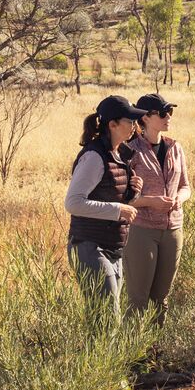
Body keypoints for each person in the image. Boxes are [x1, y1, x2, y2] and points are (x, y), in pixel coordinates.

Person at [64, 95, 145, 311]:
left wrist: (132, 194)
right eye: (129, 121)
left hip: (111, 246)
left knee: (105, 320)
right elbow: (73, 203)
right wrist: (118, 209)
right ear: (112, 124)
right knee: (107, 319)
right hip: (89, 246)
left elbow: (110, 198)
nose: (134, 126)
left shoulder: (117, 154)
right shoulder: (94, 156)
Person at [123, 93, 189, 323]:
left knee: (161, 298)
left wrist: (180, 198)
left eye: (170, 112)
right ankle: (132, 354)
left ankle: (154, 352)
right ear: (145, 118)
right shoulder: (130, 150)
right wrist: (151, 202)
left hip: (173, 229)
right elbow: (122, 199)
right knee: (138, 298)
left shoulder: (175, 147)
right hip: (141, 229)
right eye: (162, 113)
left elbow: (186, 186)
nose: (168, 117)